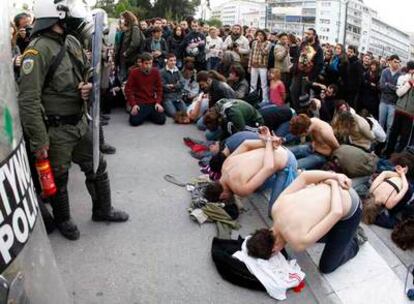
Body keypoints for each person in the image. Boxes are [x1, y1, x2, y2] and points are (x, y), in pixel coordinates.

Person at [18, 0, 129, 240]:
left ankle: (103, 210)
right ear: (56, 18)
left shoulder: (71, 41)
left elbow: (85, 72)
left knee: (97, 165)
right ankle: (63, 219)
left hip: (79, 122)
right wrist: (39, 140)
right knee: (59, 178)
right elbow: (28, 99)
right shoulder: (36, 51)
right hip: (55, 130)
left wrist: (87, 85)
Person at [247, 170, 362, 274]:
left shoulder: (298, 242)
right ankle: (341, 234)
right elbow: (304, 176)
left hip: (350, 205)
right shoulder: (275, 209)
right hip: (330, 182)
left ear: (274, 250)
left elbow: (337, 212)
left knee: (327, 267)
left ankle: (357, 238)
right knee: (314, 237)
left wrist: (334, 183)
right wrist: (335, 177)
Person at [205, 126, 297, 211]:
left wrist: (269, 142)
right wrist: (269, 141)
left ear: (222, 196)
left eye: (224, 200)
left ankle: (295, 178)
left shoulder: (241, 189)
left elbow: (269, 167)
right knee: (256, 187)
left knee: (273, 211)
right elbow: (246, 144)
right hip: (273, 150)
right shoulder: (225, 166)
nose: (227, 200)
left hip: (287, 161)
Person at [125, 53, 166, 126]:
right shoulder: (134, 72)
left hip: (152, 102)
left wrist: (158, 102)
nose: (148, 66)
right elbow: (128, 89)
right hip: (140, 102)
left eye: (150, 63)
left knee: (162, 120)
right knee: (134, 122)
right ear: (141, 63)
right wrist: (133, 105)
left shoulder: (155, 72)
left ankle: (146, 115)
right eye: (146, 63)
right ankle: (146, 115)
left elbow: (159, 88)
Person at [383, 61, 414, 157]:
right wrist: (408, 84)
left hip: (410, 113)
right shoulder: (404, 78)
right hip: (399, 109)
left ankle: (398, 156)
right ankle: (388, 152)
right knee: (394, 133)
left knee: (405, 137)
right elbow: (398, 93)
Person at [290, 28, 324, 110]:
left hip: (307, 76)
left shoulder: (318, 49)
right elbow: (297, 57)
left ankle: (304, 114)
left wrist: (311, 77)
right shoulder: (303, 44)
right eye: (306, 33)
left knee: (304, 96)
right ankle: (296, 111)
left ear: (314, 36)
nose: (306, 35)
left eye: (309, 34)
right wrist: (294, 68)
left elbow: (319, 65)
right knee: (294, 92)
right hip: (298, 73)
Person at [118, 11, 145, 81]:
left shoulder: (135, 28)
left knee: (127, 78)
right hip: (124, 58)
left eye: (122, 18)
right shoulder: (128, 29)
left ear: (127, 18)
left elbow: (135, 42)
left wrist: (126, 52)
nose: (121, 20)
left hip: (130, 58)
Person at [379, 54, 401, 135]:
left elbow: (398, 89)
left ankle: (386, 143)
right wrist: (392, 87)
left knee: (390, 125)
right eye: (395, 62)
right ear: (390, 61)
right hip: (383, 101)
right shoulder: (385, 71)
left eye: (398, 62)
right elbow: (381, 86)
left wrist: (388, 84)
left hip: (393, 103)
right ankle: (379, 142)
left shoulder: (400, 75)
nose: (397, 64)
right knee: (381, 123)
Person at [249, 30, 271, 103]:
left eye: (261, 35)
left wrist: (260, 44)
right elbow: (251, 54)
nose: (259, 36)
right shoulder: (254, 43)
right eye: (258, 35)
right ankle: (252, 98)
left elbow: (265, 53)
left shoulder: (268, 43)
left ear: (264, 36)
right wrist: (249, 65)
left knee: (263, 84)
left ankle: (265, 100)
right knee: (253, 84)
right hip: (254, 65)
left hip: (262, 66)